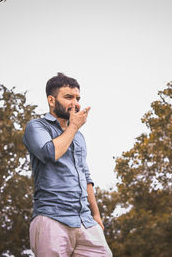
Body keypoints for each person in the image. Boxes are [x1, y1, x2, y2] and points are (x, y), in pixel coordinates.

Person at [23, 73, 112, 257]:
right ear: (51, 100)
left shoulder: (78, 137)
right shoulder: (37, 127)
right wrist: (73, 127)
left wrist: (96, 215)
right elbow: (50, 153)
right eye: (68, 97)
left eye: (78, 98)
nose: (75, 103)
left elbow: (85, 175)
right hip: (51, 217)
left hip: (85, 221)